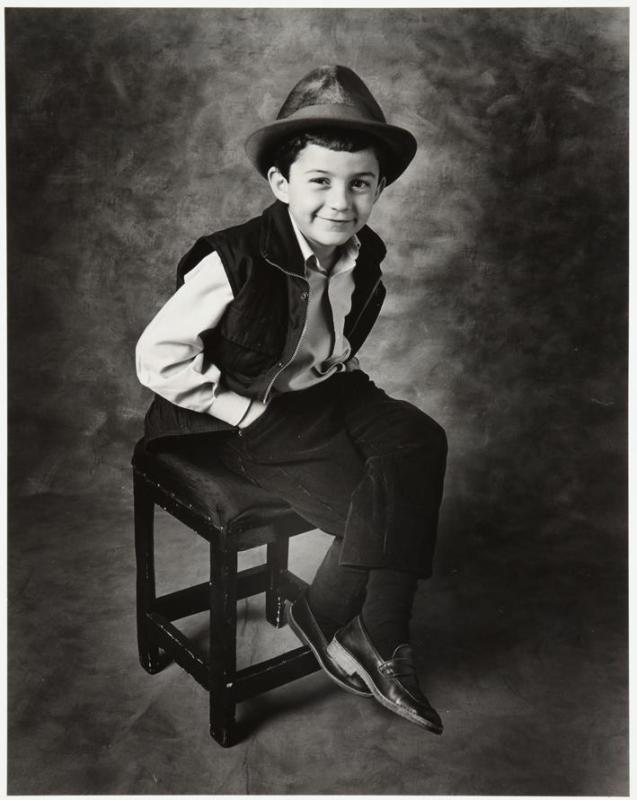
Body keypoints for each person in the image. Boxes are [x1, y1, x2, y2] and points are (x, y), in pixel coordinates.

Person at [135, 65, 447, 734]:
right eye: (319, 182)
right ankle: (361, 627)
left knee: (418, 440)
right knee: (364, 499)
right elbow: (156, 357)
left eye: (359, 184)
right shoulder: (233, 259)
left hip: (323, 393)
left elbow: (325, 336)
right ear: (280, 184)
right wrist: (240, 411)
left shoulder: (364, 254)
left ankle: (349, 621)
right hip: (241, 412)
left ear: (378, 188)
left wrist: (339, 377)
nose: (340, 202)